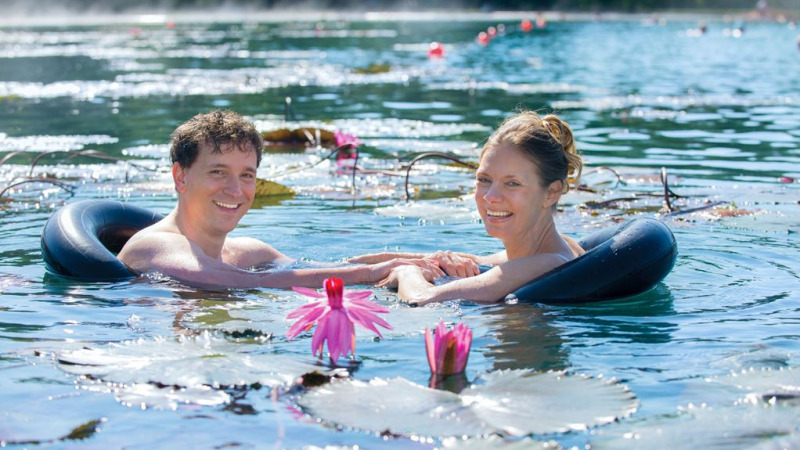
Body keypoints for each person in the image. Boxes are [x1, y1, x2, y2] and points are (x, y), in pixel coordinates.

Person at [118, 109, 445, 289]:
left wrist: (428, 259)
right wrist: (371, 274)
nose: (236, 190)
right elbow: (231, 281)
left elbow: (329, 268)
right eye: (218, 172)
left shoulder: (248, 251)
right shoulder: (155, 246)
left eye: (246, 175)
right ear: (180, 176)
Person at [377, 111, 584, 305]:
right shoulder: (554, 246)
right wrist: (370, 267)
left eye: (512, 183)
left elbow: (422, 299)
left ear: (551, 193)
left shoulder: (544, 264)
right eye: (484, 179)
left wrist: (405, 273)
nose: (490, 197)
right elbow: (478, 260)